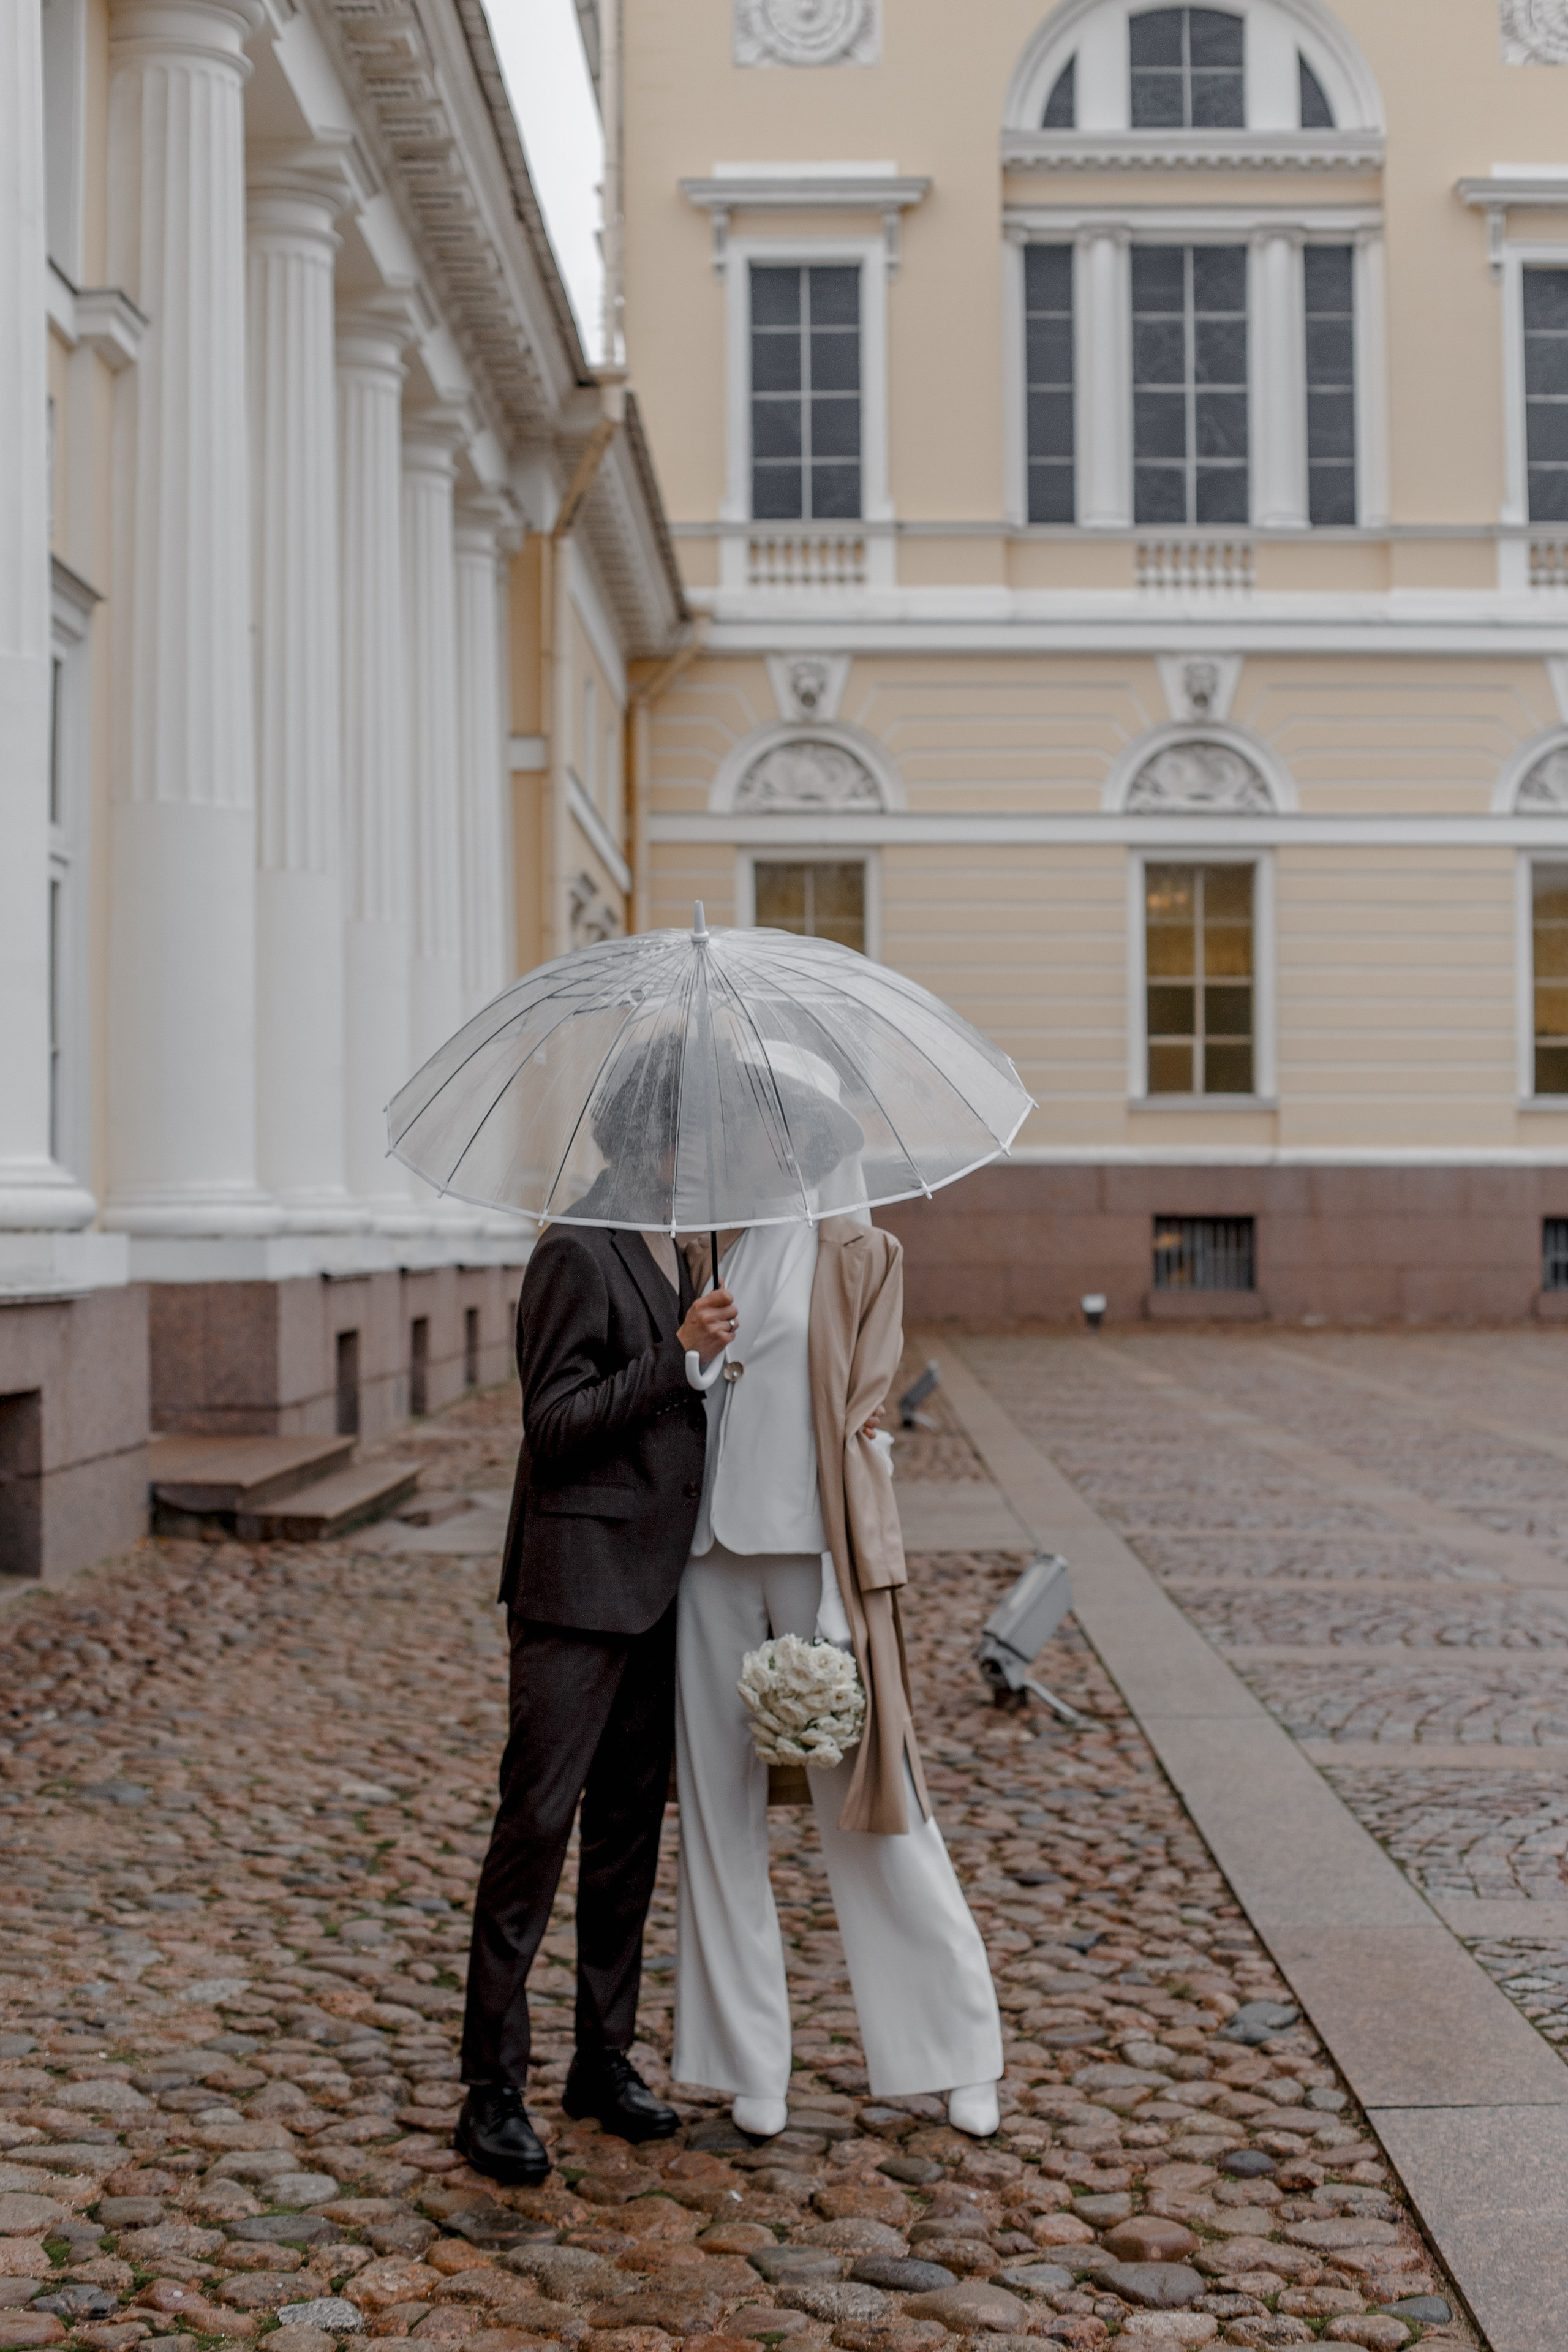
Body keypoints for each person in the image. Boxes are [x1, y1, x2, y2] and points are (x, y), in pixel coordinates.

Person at [671, 1098, 1005, 2140]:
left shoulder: (862, 1254)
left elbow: (867, 1429)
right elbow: (697, 1394)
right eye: (752, 1130)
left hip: (815, 1552)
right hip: (708, 1558)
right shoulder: (709, 1241)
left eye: (779, 1132)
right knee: (717, 1820)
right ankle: (745, 2066)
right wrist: (692, 1353)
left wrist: (833, 1592)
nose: (759, 1148)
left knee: (873, 1807)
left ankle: (956, 2052)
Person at [454, 1058, 738, 2185]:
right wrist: (678, 1360)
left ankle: (602, 2062)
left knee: (629, 1836)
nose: (709, 1156)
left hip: (664, 1589)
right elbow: (556, 1423)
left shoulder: (684, 1249)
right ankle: (491, 2089)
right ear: (650, 1142)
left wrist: (706, 1367)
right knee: (536, 1828)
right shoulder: (576, 1245)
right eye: (695, 1135)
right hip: (576, 1590)